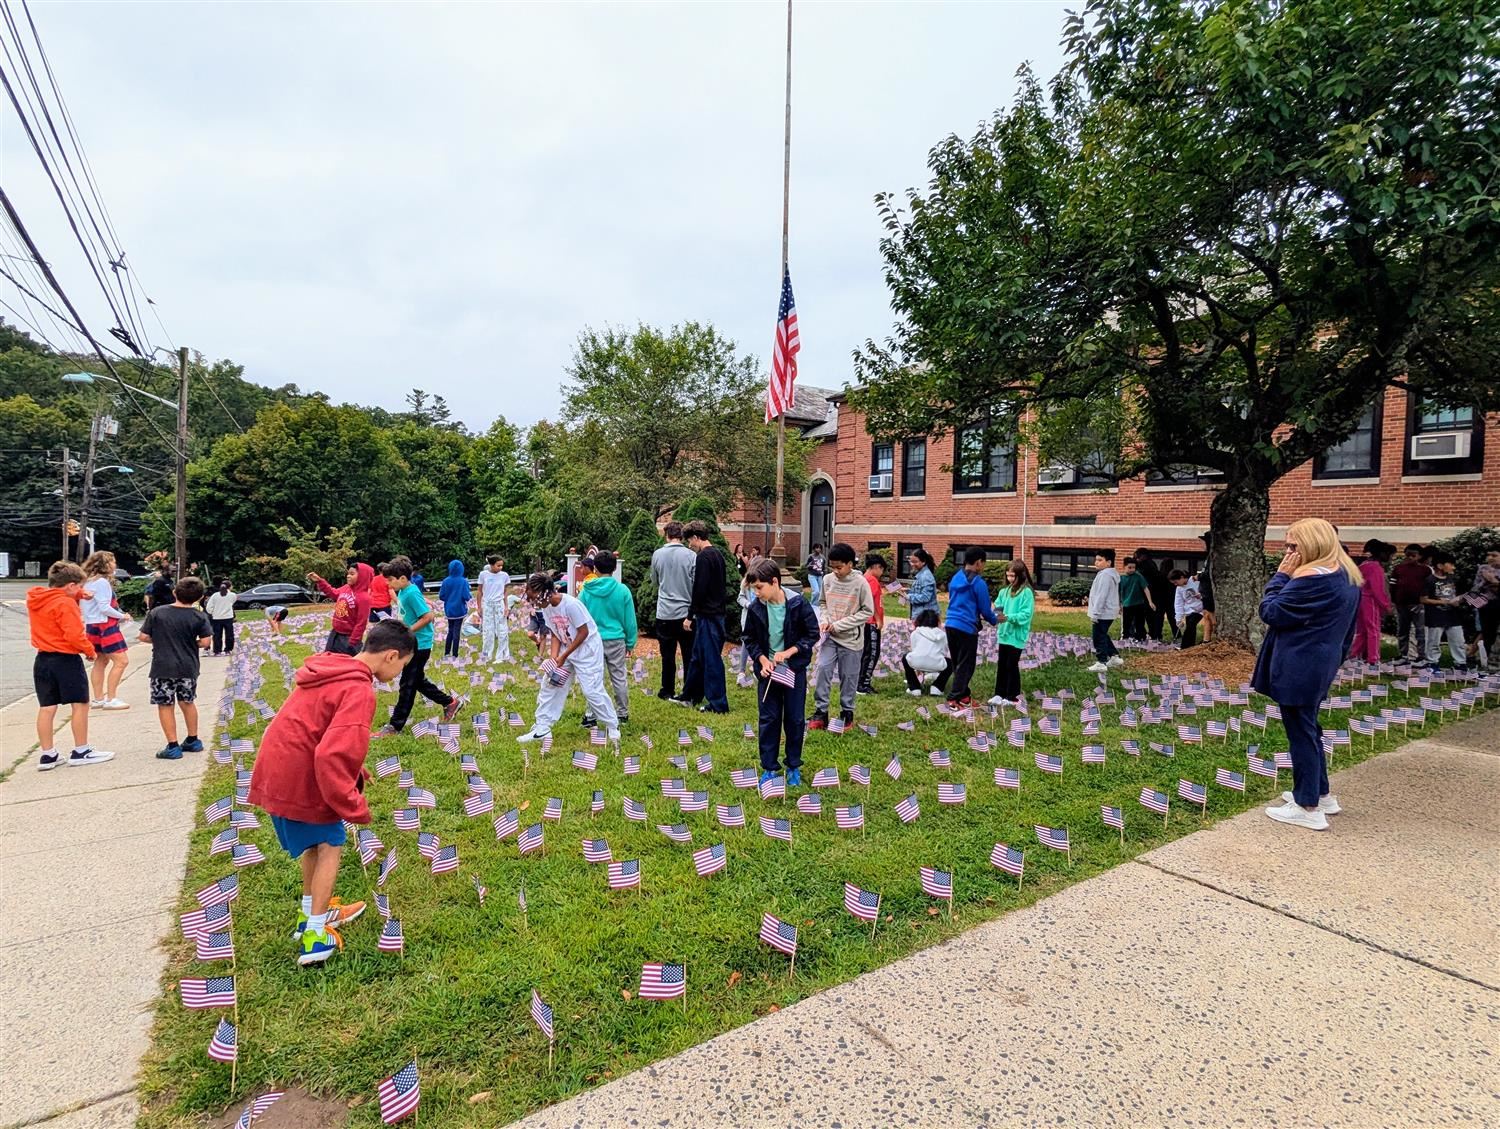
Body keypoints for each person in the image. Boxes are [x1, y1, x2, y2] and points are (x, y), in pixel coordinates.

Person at [249, 618, 414, 965]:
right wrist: (351, 803)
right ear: (391, 655)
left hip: (278, 765)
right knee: (330, 844)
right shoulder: (359, 689)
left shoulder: (332, 668)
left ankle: (310, 916)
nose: (398, 674)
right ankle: (315, 938)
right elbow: (331, 754)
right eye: (402, 666)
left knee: (315, 844)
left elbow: (318, 728)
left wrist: (356, 769)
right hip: (302, 773)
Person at [1253, 517, 1361, 831]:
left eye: (1293, 546)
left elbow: (1271, 611)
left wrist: (1280, 577)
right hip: (1320, 661)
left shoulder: (1313, 578)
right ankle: (1320, 793)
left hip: (1300, 664)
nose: (1288, 553)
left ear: (1313, 544)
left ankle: (1307, 806)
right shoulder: (1344, 573)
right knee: (1310, 728)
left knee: (1301, 733)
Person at [518, 572, 621, 743]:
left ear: (545, 592)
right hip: (566, 649)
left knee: (591, 690)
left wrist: (564, 655)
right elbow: (555, 633)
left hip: (587, 651)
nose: (534, 603)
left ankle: (612, 725)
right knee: (551, 684)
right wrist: (554, 658)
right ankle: (542, 727)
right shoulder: (546, 608)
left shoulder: (571, 605)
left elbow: (583, 632)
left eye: (534, 598)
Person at [29, 560, 113, 770]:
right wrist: (90, 651)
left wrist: (80, 594)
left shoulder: (37, 599)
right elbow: (74, 635)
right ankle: (81, 750)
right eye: (80, 586)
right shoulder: (65, 604)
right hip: (66, 659)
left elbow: (61, 594)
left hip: (43, 659)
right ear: (71, 585)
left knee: (47, 707)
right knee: (80, 704)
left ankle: (48, 754)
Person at [743, 559, 820, 785]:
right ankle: (769, 767)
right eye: (754, 589)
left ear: (774, 582)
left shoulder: (798, 604)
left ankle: (793, 765)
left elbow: (812, 634)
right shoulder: (756, 608)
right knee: (769, 718)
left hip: (793, 670)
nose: (757, 593)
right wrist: (762, 659)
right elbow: (750, 638)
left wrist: (788, 652)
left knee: (795, 718)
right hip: (768, 672)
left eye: (759, 587)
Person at [376, 555, 459, 734]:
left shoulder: (411, 593)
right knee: (417, 680)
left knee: (408, 684)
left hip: (420, 645)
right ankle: (449, 702)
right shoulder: (403, 592)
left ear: (402, 578)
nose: (388, 584)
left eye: (390, 580)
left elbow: (428, 617)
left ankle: (395, 725)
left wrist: (408, 631)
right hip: (412, 643)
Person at [138, 575, 212, 760]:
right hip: (188, 667)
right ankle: (193, 739)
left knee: (165, 704)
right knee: (187, 701)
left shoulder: (157, 613)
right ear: (199, 598)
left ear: (174, 593)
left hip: (163, 667)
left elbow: (143, 636)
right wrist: (190, 643)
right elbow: (205, 642)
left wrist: (161, 640)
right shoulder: (199, 616)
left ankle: (172, 746)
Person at [809, 542, 875, 730]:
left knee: (849, 677)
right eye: (832, 567)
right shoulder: (827, 580)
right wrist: (825, 620)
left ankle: (847, 713)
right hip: (830, 638)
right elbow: (823, 603)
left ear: (850, 564)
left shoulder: (860, 583)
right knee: (823, 669)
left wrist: (839, 625)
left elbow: (867, 611)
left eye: (839, 567)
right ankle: (821, 712)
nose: (836, 571)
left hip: (851, 640)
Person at [579, 549, 638, 726]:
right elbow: (630, 620)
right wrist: (630, 642)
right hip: (616, 639)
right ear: (614, 568)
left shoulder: (586, 590)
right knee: (618, 677)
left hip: (593, 640)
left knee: (594, 678)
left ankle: (591, 715)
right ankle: (622, 713)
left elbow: (579, 616)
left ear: (595, 568)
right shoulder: (622, 590)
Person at [932, 548, 998, 708]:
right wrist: (995, 619)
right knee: (967, 665)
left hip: (951, 624)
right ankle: (953, 698)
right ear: (978, 562)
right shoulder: (978, 583)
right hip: (967, 627)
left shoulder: (956, 577)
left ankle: (964, 696)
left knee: (958, 662)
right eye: (983, 563)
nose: (983, 567)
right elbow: (985, 609)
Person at [677, 521, 730, 714]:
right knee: (697, 657)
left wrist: (690, 615)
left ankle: (718, 704)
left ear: (696, 537)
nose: (689, 544)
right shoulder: (718, 555)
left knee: (711, 659)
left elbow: (699, 589)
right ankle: (690, 695)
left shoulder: (703, 558)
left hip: (709, 616)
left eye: (689, 540)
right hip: (715, 613)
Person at [651, 521, 696, 701]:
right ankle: (689, 690)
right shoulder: (691, 555)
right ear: (682, 536)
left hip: (664, 611)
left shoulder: (657, 554)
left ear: (666, 535)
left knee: (667, 655)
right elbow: (695, 583)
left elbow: (654, 581)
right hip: (686, 612)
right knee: (688, 654)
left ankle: (667, 689)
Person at [80, 551, 131, 710]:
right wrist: (122, 616)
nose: (115, 564)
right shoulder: (102, 582)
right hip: (105, 625)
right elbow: (104, 607)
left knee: (100, 661)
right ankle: (111, 698)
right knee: (121, 661)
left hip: (92, 625)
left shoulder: (87, 582)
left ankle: (98, 699)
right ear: (105, 564)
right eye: (112, 561)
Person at [990, 561, 1035, 706]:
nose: (1010, 579)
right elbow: (998, 606)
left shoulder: (1026, 593)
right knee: (1002, 664)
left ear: (1020, 575)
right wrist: (995, 613)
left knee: (1011, 664)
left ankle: (1012, 696)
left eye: (1013, 576)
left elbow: (1026, 614)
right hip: (1004, 633)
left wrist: (1008, 617)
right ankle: (999, 693)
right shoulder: (1004, 591)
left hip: (1017, 635)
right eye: (1008, 575)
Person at [307, 563, 374, 656]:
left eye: (352, 574)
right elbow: (333, 593)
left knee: (348, 662)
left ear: (362, 577)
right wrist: (320, 581)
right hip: (335, 634)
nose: (348, 576)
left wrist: (353, 641)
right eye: (348, 573)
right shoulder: (346, 588)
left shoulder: (364, 598)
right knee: (329, 659)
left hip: (348, 638)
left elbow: (361, 622)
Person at [1348, 539, 1394, 663]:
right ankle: (1373, 658)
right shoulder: (1375, 567)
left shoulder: (1364, 565)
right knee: (1373, 629)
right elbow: (1377, 589)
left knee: (1362, 630)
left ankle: (1354, 655)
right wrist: (1386, 605)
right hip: (1370, 601)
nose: (1390, 558)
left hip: (1359, 599)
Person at [1421, 551, 1469, 672]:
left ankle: (1460, 664)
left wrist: (1459, 600)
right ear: (1440, 565)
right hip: (1435, 617)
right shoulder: (1429, 580)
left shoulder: (1453, 579)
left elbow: (1459, 595)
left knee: (1458, 640)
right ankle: (1432, 663)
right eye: (1451, 564)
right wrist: (1444, 602)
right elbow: (1423, 599)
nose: (1453, 567)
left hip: (1453, 616)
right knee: (1433, 641)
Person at [1460, 548, 1500, 671]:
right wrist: (1485, 581)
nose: (1490, 558)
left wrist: (1494, 581)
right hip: (1485, 605)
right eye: (1488, 555)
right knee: (1487, 634)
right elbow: (1475, 588)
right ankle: (1486, 663)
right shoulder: (1483, 568)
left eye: (1494, 555)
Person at [1390, 545, 1431, 663]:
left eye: (1413, 555)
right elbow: (1393, 586)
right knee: (1403, 630)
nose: (1410, 558)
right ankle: (1403, 654)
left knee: (1420, 631)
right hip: (1401, 604)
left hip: (1418, 604)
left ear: (1420, 556)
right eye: (1408, 555)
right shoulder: (1398, 569)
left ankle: (1421, 655)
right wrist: (1394, 601)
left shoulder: (1425, 570)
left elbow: (1429, 587)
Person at [1086, 549, 1122, 673]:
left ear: (1109, 562)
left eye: (1100, 560)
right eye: (1096, 560)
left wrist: (1095, 613)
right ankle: (1114, 657)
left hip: (1103, 612)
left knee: (1098, 637)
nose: (1096, 562)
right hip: (1107, 611)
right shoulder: (1108, 574)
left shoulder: (1105, 575)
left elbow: (1102, 595)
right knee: (1103, 634)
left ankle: (1101, 662)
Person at [857, 552, 888, 695]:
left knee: (865, 652)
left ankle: (860, 681)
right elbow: (870, 603)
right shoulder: (872, 581)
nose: (881, 573)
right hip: (871, 622)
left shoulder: (863, 579)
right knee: (871, 653)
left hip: (864, 621)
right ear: (876, 567)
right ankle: (863, 684)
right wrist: (878, 619)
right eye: (882, 569)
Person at [902, 609, 949, 695]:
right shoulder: (942, 635)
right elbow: (943, 651)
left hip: (917, 662)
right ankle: (938, 687)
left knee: (905, 657)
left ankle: (914, 688)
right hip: (937, 664)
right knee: (951, 662)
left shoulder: (916, 633)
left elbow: (915, 650)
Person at [476, 555, 512, 664]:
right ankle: (486, 655)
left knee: (502, 630)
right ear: (491, 565)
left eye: (501, 566)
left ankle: (502, 655)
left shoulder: (504, 576)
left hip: (499, 604)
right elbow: (479, 591)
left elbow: (505, 592)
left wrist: (506, 607)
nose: (500, 567)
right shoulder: (483, 575)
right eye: (498, 565)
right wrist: (479, 607)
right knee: (488, 631)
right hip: (487, 604)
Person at [438, 559, 471, 660]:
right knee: (457, 631)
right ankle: (455, 654)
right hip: (459, 609)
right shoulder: (463, 581)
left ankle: (447, 652)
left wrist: (449, 599)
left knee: (450, 630)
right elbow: (466, 596)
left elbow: (441, 596)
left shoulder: (446, 581)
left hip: (449, 610)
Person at [1136, 549, 1172, 642]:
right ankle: (1155, 635)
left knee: (1148, 616)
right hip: (1156, 595)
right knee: (1155, 617)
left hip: (1148, 594)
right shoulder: (1151, 565)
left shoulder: (1144, 566)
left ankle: (1150, 635)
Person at [1118, 557, 1153, 642]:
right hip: (1126, 604)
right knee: (1126, 623)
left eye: (1134, 567)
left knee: (1140, 623)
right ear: (1124, 567)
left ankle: (1140, 638)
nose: (1132, 570)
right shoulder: (1120, 578)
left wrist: (1150, 602)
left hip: (1139, 603)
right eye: (1129, 567)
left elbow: (1145, 588)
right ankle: (1125, 638)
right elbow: (1118, 592)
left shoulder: (1138, 576)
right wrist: (1119, 605)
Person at [1171, 570, 1205, 647]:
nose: (1175, 584)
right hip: (1189, 611)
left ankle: (1184, 646)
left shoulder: (1195, 581)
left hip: (1200, 609)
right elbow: (1178, 604)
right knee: (1190, 627)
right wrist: (1178, 619)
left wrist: (1201, 595)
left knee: (1191, 624)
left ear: (1182, 577)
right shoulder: (1179, 588)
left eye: (1176, 582)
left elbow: (1207, 591)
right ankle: (1190, 645)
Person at [205, 577, 237, 656]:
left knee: (217, 635)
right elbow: (232, 602)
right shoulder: (232, 595)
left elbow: (208, 607)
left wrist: (212, 613)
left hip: (216, 617)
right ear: (229, 587)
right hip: (228, 617)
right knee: (229, 634)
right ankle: (228, 650)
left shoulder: (215, 595)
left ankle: (217, 651)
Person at [906, 548, 938, 621]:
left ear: (923, 562)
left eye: (915, 562)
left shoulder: (926, 576)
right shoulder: (921, 574)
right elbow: (920, 591)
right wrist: (908, 591)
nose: (912, 564)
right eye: (911, 561)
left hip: (925, 618)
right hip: (920, 615)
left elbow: (925, 597)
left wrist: (908, 596)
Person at [1197, 533, 1217, 643]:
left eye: (1203, 542)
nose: (1202, 545)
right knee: (1206, 615)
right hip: (1205, 591)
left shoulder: (1213, 557)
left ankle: (1216, 636)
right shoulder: (1208, 556)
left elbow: (1209, 573)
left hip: (1209, 591)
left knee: (1210, 615)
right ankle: (1206, 639)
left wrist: (1198, 576)